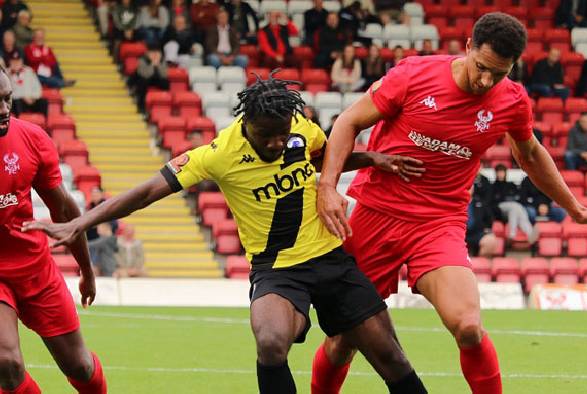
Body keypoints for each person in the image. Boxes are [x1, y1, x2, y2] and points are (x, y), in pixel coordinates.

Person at [25, 73, 428, 394]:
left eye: (281, 132)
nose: (276, 141)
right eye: (265, 134)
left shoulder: (298, 128)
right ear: (246, 123)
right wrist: (82, 222)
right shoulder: (220, 154)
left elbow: (326, 158)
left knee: (391, 358)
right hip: (278, 271)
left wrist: (371, 157)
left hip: (331, 258)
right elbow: (149, 190)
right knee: (270, 341)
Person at [311, 12, 587, 394]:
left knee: (469, 326)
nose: (487, 80)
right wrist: (328, 186)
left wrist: (576, 209)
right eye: (482, 68)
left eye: (500, 73)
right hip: (378, 214)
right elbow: (348, 122)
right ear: (469, 47)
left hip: (439, 223)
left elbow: (530, 155)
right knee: (344, 341)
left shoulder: (511, 101)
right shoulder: (413, 75)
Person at [0, 67, 107, 394]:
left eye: (7, 99)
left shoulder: (31, 138)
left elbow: (65, 210)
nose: (4, 110)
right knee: (7, 363)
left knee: (79, 366)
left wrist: (86, 270)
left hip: (35, 267)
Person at [491, 164, 539, 244]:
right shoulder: (493, 186)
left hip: (513, 208)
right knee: (517, 206)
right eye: (499, 172)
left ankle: (514, 235)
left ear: (505, 173)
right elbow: (493, 201)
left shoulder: (511, 184)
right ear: (496, 173)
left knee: (516, 208)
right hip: (500, 208)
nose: (500, 174)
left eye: (502, 172)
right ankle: (529, 232)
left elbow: (518, 197)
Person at [131, 41, 169, 111]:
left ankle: (164, 104)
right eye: (152, 53)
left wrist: (158, 65)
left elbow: (164, 75)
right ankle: (141, 105)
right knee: (143, 82)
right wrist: (152, 65)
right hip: (144, 78)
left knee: (166, 82)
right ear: (147, 53)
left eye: (157, 53)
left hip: (156, 79)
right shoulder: (142, 60)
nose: (155, 55)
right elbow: (145, 74)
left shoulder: (162, 61)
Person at [467, 175, 498, 257]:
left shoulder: (480, 202)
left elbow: (489, 218)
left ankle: (479, 264)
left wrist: (487, 228)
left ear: (473, 188)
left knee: (490, 240)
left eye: (470, 186)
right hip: (458, 234)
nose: (468, 189)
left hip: (477, 233)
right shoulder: (454, 203)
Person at [8, 51, 47, 117]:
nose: (16, 63)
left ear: (22, 61)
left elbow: (38, 88)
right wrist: (23, 97)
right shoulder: (6, 73)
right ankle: (19, 123)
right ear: (10, 62)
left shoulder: (29, 71)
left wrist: (33, 97)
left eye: (18, 61)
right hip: (17, 102)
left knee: (44, 102)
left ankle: (44, 124)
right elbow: (8, 93)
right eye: (14, 61)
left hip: (31, 99)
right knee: (17, 102)